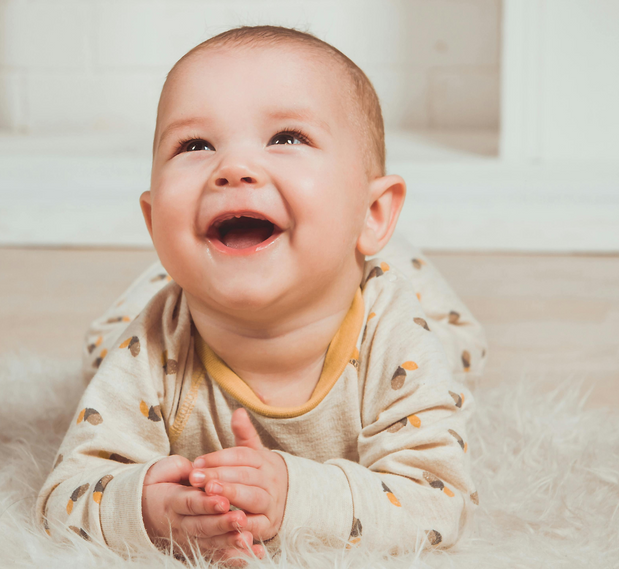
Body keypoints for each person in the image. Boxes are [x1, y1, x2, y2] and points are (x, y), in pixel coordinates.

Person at [36, 25, 487, 564]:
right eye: (194, 145)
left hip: (393, 288)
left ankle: (382, 245)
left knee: (459, 350)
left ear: (373, 212)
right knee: (103, 347)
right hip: (182, 279)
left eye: (287, 138)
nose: (233, 168)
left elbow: (438, 502)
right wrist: (148, 510)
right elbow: (66, 496)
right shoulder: (154, 346)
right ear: (154, 222)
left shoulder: (395, 335)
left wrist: (295, 494)